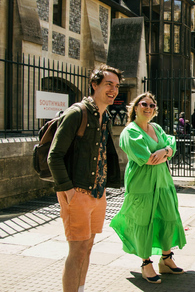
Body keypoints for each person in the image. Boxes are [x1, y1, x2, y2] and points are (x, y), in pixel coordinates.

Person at [48, 64, 122, 292]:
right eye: (108, 84)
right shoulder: (76, 113)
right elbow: (54, 156)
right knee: (77, 251)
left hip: (97, 193)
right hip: (77, 192)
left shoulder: (104, 116)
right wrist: (69, 191)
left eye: (117, 86)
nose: (113, 90)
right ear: (94, 84)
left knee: (87, 248)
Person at [110, 92, 186, 284]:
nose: (148, 108)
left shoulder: (156, 127)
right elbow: (147, 159)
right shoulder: (130, 131)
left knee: (169, 217)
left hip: (163, 183)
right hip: (141, 185)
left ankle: (166, 259)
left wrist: (165, 151)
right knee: (144, 221)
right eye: (144, 104)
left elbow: (172, 146)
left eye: (152, 105)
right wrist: (166, 152)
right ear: (135, 107)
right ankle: (146, 263)